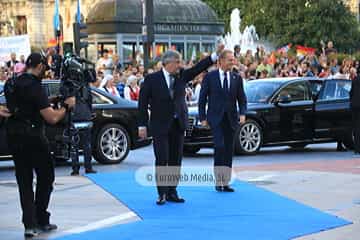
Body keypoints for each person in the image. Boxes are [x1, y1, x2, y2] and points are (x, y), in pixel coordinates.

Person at [138, 44, 224, 205]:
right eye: (178, 62)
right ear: (168, 63)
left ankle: (172, 191)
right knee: (162, 159)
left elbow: (198, 68)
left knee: (176, 160)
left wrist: (214, 56)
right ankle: (162, 193)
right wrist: (141, 125)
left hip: (178, 124)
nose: (180, 65)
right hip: (160, 125)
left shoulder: (182, 75)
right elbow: (142, 104)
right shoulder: (151, 79)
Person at [4, 53, 76, 237]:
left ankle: (30, 225)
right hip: (34, 137)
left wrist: (48, 103)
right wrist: (66, 106)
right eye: (45, 67)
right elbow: (51, 118)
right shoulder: (35, 87)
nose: (46, 71)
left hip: (14, 137)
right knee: (46, 176)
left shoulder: (11, 83)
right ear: (39, 66)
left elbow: (21, 106)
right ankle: (41, 218)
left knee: (24, 181)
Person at [198, 49, 247, 192]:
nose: (233, 62)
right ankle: (218, 180)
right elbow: (202, 99)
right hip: (215, 118)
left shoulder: (236, 78)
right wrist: (202, 117)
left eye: (233, 60)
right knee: (219, 146)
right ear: (221, 61)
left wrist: (242, 113)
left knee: (228, 150)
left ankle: (225, 182)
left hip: (231, 119)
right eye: (230, 60)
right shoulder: (210, 77)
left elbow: (242, 99)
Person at [350, 74, 360, 156]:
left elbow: (351, 92)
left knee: (356, 127)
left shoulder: (355, 79)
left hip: (355, 105)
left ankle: (357, 149)